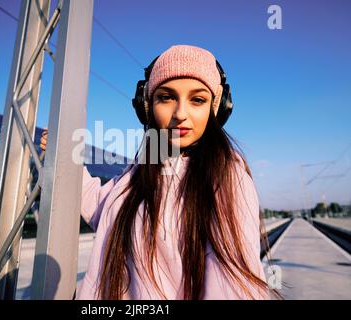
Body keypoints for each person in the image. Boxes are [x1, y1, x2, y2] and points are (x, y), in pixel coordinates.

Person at [40, 45, 271, 299]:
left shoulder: (226, 178)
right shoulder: (140, 172)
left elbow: (232, 291)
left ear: (216, 110)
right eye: (166, 97)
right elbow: (98, 206)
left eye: (197, 100)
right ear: (147, 107)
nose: (180, 114)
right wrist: (63, 155)